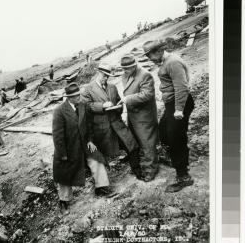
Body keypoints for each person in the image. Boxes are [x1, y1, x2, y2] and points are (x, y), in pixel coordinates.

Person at [53, 82, 114, 215]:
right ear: (68, 97)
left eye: (78, 95)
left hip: (85, 144)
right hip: (69, 148)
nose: (78, 98)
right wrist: (63, 154)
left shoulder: (82, 106)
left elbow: (89, 126)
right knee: (64, 172)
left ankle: (101, 187)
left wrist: (91, 141)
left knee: (97, 159)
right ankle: (64, 200)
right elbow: (57, 136)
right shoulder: (59, 111)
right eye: (75, 96)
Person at [143, 39, 195, 192]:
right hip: (172, 104)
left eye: (150, 55)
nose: (149, 59)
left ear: (159, 51)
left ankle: (183, 176)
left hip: (180, 104)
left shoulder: (172, 62)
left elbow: (182, 87)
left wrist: (179, 109)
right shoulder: (167, 62)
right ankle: (179, 158)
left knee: (175, 138)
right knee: (164, 132)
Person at [81, 63, 142, 180]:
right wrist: (102, 105)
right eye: (104, 76)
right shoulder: (87, 89)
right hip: (101, 129)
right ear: (98, 73)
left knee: (132, 145)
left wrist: (117, 108)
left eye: (108, 76)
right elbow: (86, 107)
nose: (106, 78)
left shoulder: (112, 87)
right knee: (99, 155)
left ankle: (137, 171)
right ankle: (100, 181)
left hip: (117, 124)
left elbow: (119, 102)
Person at [119, 54, 159, 182]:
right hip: (133, 115)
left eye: (127, 69)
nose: (124, 72)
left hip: (144, 116)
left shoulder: (145, 75)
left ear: (134, 66)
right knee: (138, 141)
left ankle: (150, 170)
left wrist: (127, 99)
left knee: (147, 143)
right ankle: (143, 165)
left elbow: (147, 94)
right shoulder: (125, 75)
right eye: (123, 69)